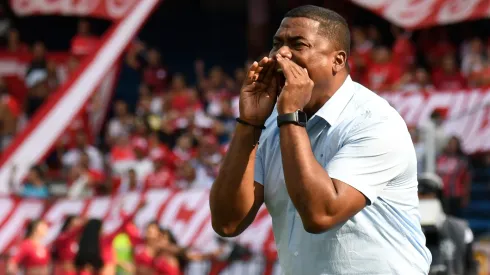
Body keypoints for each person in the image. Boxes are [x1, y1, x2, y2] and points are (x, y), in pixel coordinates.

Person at [210, 5, 432, 274]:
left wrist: (291, 115)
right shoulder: (271, 125)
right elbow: (228, 222)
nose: (281, 53)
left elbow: (321, 214)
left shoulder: (375, 122)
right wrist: (250, 123)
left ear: (337, 60)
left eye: (298, 44)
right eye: (276, 44)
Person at [418, 173, 477, 275]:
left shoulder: (461, 229)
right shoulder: (404, 230)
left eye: (429, 195)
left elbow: (470, 267)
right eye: (420, 195)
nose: (425, 199)